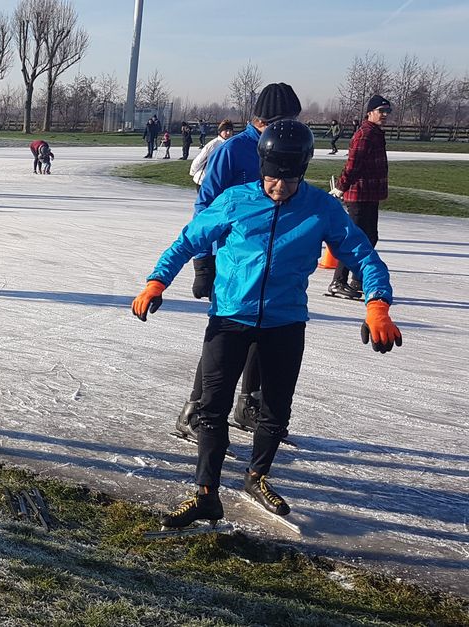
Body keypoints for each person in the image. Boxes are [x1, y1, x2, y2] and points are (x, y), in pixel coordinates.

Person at [131, 119, 401, 526]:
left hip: (284, 321)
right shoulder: (236, 200)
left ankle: (257, 477)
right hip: (230, 317)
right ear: (263, 168)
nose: (278, 187)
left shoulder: (321, 208)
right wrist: (156, 281)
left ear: (303, 172)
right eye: (273, 177)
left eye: (289, 179)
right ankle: (206, 493)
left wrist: (377, 303)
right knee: (212, 408)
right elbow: (188, 240)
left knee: (274, 411)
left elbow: (362, 255)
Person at [179, 83, 302, 444]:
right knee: (227, 336)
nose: (291, 128)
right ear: (264, 120)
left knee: (263, 332)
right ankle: (195, 409)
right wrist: (203, 263)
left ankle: (248, 404)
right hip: (229, 261)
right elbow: (205, 207)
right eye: (286, 120)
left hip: (270, 261)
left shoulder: (287, 148)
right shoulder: (233, 151)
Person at [329, 95, 391, 300]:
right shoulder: (365, 134)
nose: (384, 115)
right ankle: (338, 281)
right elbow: (353, 165)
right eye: (380, 111)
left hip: (370, 194)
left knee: (370, 237)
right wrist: (341, 187)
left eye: (386, 112)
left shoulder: (375, 133)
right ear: (369, 112)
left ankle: (358, 278)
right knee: (353, 239)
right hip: (359, 195)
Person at [189, 119, 234, 190]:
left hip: (219, 182)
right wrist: (193, 172)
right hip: (204, 181)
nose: (228, 133)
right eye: (226, 130)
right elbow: (199, 160)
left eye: (230, 131)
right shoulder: (213, 145)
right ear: (220, 131)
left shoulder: (231, 145)